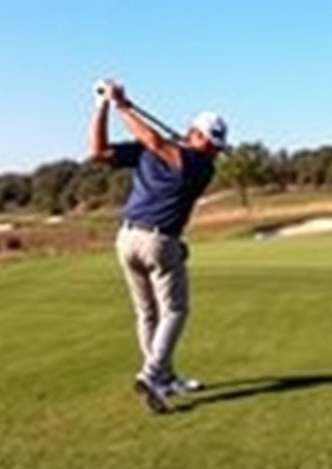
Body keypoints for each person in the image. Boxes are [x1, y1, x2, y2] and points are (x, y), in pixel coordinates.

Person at [88, 79, 228, 413]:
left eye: (215, 146)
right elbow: (98, 152)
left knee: (148, 312)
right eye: (210, 142)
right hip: (157, 240)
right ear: (193, 133)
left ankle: (163, 377)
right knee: (175, 311)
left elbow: (152, 141)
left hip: (128, 240)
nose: (213, 151)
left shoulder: (198, 165)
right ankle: (152, 373)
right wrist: (106, 107)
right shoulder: (166, 151)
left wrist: (115, 103)